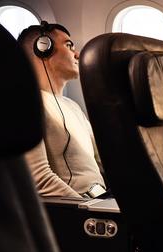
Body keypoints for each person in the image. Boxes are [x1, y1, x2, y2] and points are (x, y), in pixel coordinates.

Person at [17, 21, 106, 198]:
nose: (77, 54)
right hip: (76, 212)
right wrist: (90, 209)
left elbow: (103, 161)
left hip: (99, 199)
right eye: (68, 45)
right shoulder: (25, 104)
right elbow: (39, 179)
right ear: (43, 49)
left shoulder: (73, 106)